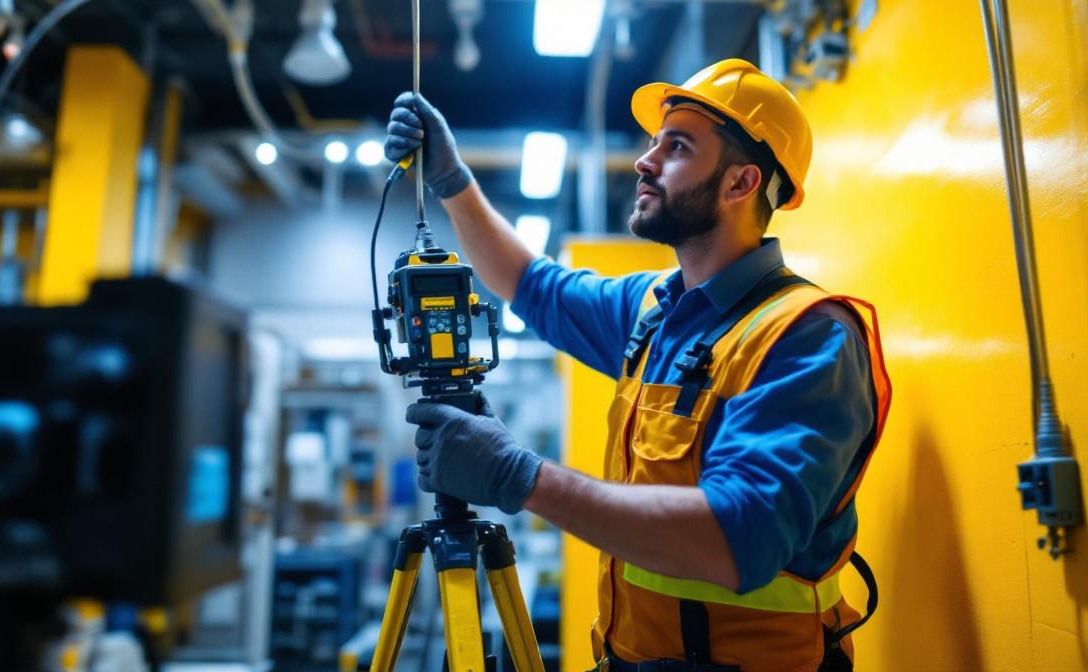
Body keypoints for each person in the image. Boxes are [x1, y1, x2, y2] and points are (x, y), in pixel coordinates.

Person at [382, 58, 891, 672]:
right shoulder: (654, 309)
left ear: (741, 184)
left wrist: (517, 475)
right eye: (654, 143)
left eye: (676, 147)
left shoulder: (808, 338)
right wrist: (452, 181)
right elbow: (529, 284)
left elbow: (738, 540)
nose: (645, 162)